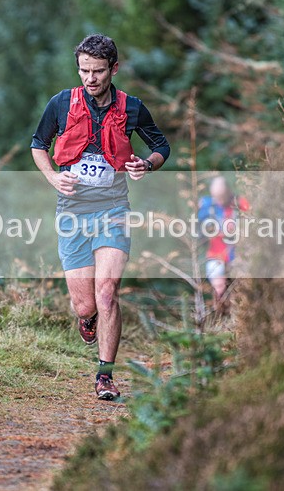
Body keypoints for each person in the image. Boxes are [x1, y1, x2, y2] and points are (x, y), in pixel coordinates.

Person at [31, 34, 170, 400]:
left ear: (114, 69)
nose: (90, 78)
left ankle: (105, 375)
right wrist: (53, 177)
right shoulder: (61, 103)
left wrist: (147, 164)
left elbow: (161, 147)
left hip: (113, 208)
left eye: (97, 71)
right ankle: (86, 319)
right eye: (84, 70)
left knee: (107, 294)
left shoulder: (132, 107)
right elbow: (37, 145)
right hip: (72, 211)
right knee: (86, 304)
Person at [198, 176, 249, 302]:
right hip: (216, 255)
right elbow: (200, 230)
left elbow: (253, 225)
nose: (219, 201)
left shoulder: (241, 204)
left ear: (229, 192)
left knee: (241, 291)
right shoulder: (207, 205)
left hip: (238, 255)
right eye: (216, 197)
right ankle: (221, 313)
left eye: (221, 197)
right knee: (220, 290)